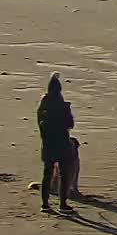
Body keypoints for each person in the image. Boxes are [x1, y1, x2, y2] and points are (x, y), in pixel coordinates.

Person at [36, 75, 74, 213]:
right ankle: (63, 204)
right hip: (62, 143)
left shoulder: (43, 107)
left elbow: (41, 124)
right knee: (65, 173)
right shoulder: (63, 105)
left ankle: (45, 204)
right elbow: (70, 124)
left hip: (47, 144)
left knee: (47, 173)